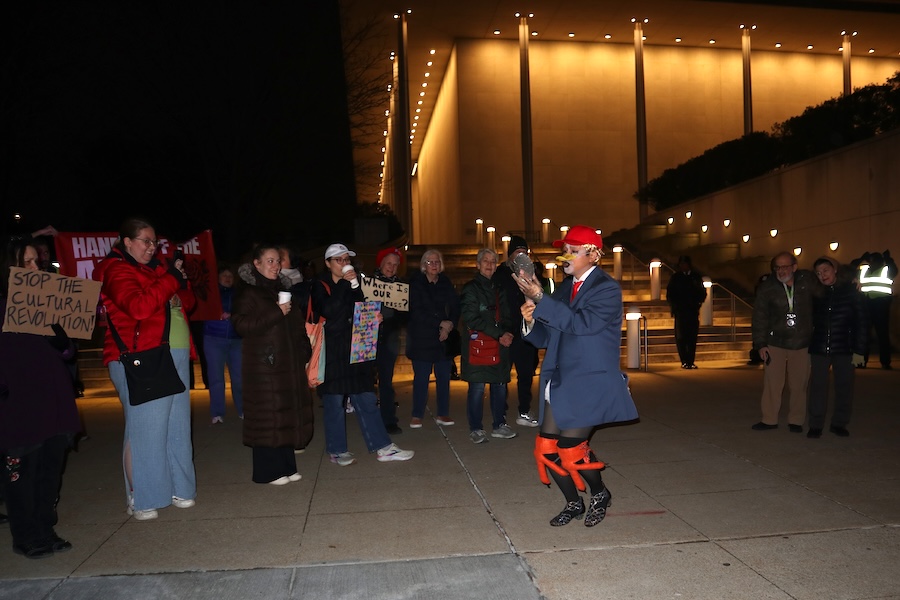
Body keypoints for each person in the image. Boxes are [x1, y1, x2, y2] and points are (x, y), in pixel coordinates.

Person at [515, 225, 638, 528]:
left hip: (588, 382)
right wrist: (531, 322)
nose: (564, 254)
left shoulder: (606, 289)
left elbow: (580, 324)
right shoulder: (566, 288)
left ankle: (599, 493)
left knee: (570, 448)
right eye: (564, 248)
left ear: (593, 254)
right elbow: (552, 335)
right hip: (560, 379)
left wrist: (542, 298)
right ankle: (573, 502)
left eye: (572, 249)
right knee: (546, 448)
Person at [93, 218, 197, 520]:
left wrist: (177, 287)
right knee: (144, 429)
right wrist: (170, 282)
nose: (152, 247)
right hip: (138, 356)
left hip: (173, 351)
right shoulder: (115, 269)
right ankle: (143, 497)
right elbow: (138, 307)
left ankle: (180, 488)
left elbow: (187, 300)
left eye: (154, 242)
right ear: (126, 242)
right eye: (145, 241)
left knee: (177, 427)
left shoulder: (157, 269)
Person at [1, 237, 81, 558]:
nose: (35, 268)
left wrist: (60, 337)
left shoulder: (46, 301)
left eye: (37, 262)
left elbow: (68, 352)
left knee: (50, 471)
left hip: (53, 400)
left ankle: (45, 529)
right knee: (23, 474)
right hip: (19, 404)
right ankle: (25, 535)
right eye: (27, 262)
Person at [313, 243, 414, 465]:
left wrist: (373, 318)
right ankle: (337, 450)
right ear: (328, 263)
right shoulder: (321, 285)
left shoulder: (354, 285)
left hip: (357, 350)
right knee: (334, 402)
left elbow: (360, 309)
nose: (344, 263)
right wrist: (346, 284)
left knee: (367, 398)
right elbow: (329, 311)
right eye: (338, 260)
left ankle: (383, 447)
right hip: (333, 353)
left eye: (346, 259)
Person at [231, 243, 313, 485]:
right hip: (263, 366)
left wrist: (303, 349)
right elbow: (241, 326)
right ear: (256, 264)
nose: (275, 266)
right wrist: (276, 312)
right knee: (268, 416)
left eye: (278, 261)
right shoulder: (248, 292)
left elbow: (297, 325)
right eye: (269, 261)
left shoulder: (283, 290)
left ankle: (287, 466)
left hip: (287, 363)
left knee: (286, 414)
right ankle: (268, 471)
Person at [750, 251, 815, 433]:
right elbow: (759, 317)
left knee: (799, 384)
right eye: (778, 267)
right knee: (772, 382)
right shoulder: (767, 287)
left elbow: (827, 290)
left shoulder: (807, 284)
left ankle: (796, 420)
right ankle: (769, 419)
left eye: (785, 266)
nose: (781, 270)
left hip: (801, 342)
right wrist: (760, 344)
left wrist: (848, 284)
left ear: (794, 267)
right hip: (775, 341)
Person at [807, 257, 868, 439]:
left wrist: (860, 350)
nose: (822, 275)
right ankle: (816, 424)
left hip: (845, 347)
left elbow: (862, 323)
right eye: (818, 273)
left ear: (835, 269)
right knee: (818, 387)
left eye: (825, 270)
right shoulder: (816, 293)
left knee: (844, 386)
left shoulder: (851, 291)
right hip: (819, 347)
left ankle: (839, 423)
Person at [462, 248, 517, 443]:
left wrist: (509, 333)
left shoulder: (499, 288)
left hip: (499, 345)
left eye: (493, 261)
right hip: (479, 345)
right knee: (477, 388)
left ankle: (499, 424)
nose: (489, 264)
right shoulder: (470, 289)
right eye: (485, 261)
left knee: (500, 386)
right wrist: (500, 334)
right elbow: (471, 318)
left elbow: (508, 315)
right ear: (478, 265)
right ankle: (476, 428)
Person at [405, 248, 460, 429]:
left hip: (443, 338)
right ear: (423, 265)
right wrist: (441, 324)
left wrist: (449, 324)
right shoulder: (415, 283)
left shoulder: (445, 282)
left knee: (444, 377)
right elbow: (417, 310)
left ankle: (443, 413)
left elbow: (455, 306)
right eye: (430, 262)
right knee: (421, 377)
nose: (434, 265)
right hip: (422, 337)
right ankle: (416, 414)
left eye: (437, 261)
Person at [494, 236, 539, 427]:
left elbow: (542, 297)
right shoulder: (500, 274)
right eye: (517, 253)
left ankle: (524, 411)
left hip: (527, 333)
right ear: (510, 255)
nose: (521, 257)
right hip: (507, 333)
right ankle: (500, 415)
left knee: (526, 374)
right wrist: (501, 331)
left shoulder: (534, 274)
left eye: (524, 253)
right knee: (502, 375)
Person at [373, 247, 407, 435]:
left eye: (395, 265)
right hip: (368, 338)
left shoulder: (400, 287)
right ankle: (370, 418)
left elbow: (405, 316)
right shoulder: (367, 284)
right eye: (389, 263)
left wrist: (389, 316)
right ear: (381, 264)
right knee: (366, 382)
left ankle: (388, 420)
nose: (391, 267)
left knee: (386, 381)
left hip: (389, 339)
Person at [204, 265, 243, 424]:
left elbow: (247, 311)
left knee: (240, 378)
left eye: (230, 276)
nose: (227, 278)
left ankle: (243, 409)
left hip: (237, 339)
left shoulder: (240, 294)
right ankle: (217, 412)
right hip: (214, 338)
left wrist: (234, 315)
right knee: (216, 378)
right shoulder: (210, 293)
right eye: (224, 275)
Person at [856, 250, 896, 370]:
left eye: (874, 260)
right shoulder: (864, 270)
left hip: (881, 305)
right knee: (862, 335)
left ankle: (885, 362)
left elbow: (894, 270)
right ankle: (860, 362)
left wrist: (889, 259)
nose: (872, 262)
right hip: (866, 304)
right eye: (870, 260)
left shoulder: (886, 270)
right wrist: (861, 258)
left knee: (882, 334)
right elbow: (850, 268)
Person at [666, 255, 707, 369]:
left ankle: (690, 360)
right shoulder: (676, 277)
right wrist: (675, 307)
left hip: (692, 311)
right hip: (681, 312)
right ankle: (684, 360)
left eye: (685, 264)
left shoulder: (695, 277)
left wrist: (698, 303)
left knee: (692, 337)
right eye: (681, 264)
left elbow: (702, 292)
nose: (683, 266)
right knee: (681, 337)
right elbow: (670, 294)